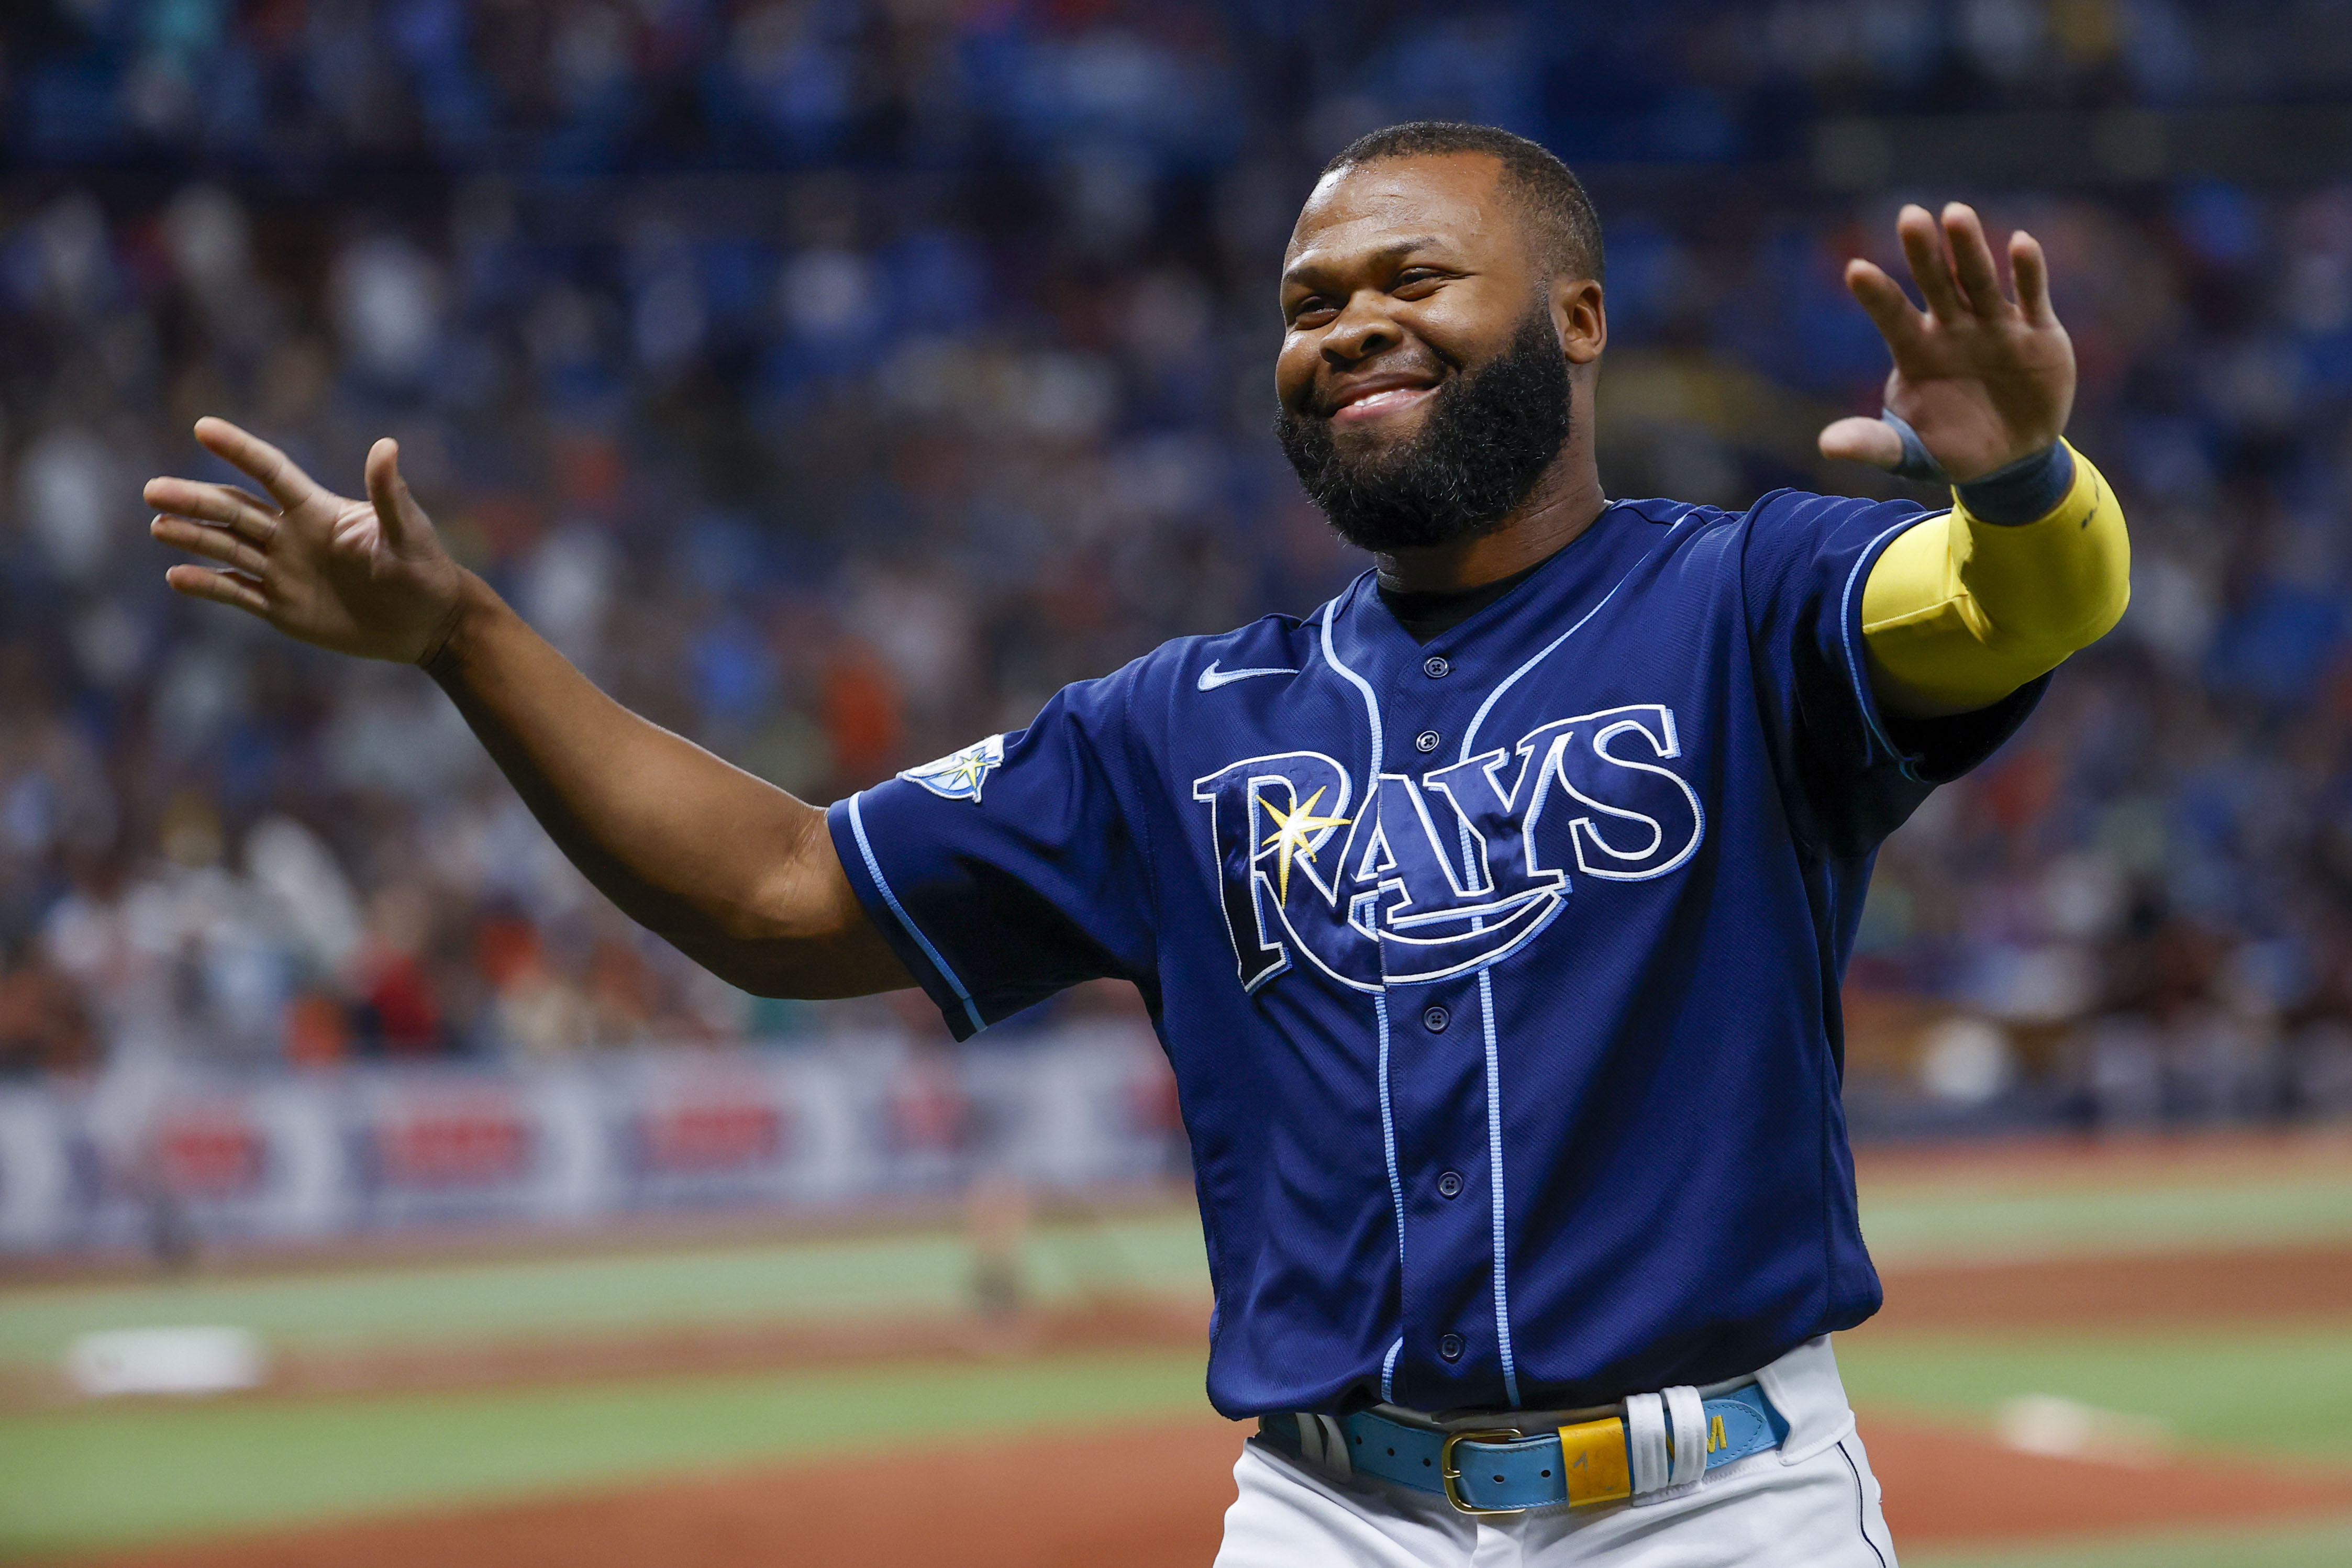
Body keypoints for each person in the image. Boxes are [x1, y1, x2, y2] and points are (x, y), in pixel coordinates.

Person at [147, 123, 2126, 1565]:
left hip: (1716, 1515)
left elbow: (2012, 606)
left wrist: (2025, 474)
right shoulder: (1172, 728)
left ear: (1578, 318)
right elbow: (776, 892)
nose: (1349, 325)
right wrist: (464, 639)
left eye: (1413, 280)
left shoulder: (1750, 600)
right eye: (1306, 305)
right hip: (1327, 1517)